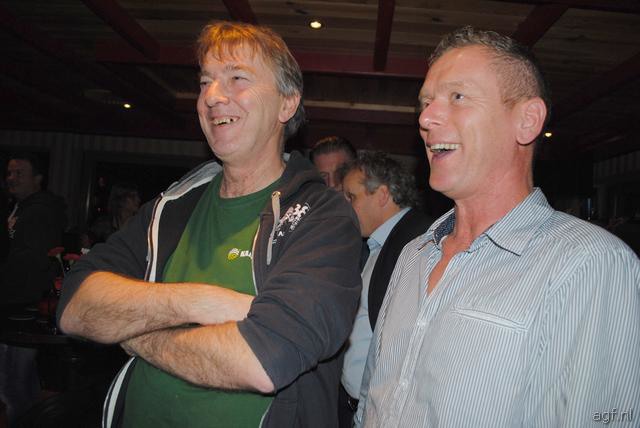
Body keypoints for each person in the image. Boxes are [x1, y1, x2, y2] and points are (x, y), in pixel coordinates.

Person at [57, 21, 362, 428]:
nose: (213, 96)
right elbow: (74, 306)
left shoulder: (323, 216)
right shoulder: (172, 207)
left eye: (237, 78)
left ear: (287, 104)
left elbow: (263, 360)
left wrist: (131, 333)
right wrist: (201, 302)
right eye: (205, 82)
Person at [356, 26, 640, 427]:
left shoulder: (591, 263)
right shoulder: (413, 254)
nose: (426, 117)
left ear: (527, 121)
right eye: (426, 102)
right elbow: (372, 399)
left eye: (458, 96)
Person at [338, 152, 432, 427]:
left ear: (381, 195)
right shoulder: (375, 244)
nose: (344, 207)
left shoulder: (420, 241)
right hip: (356, 408)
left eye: (351, 197)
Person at [0, 153, 67, 425]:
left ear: (37, 179)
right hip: (15, 305)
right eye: (9, 173)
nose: (11, 178)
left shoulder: (40, 211)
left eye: (19, 173)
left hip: (22, 308)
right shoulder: (19, 208)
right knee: (20, 384)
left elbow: (31, 262)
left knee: (12, 386)